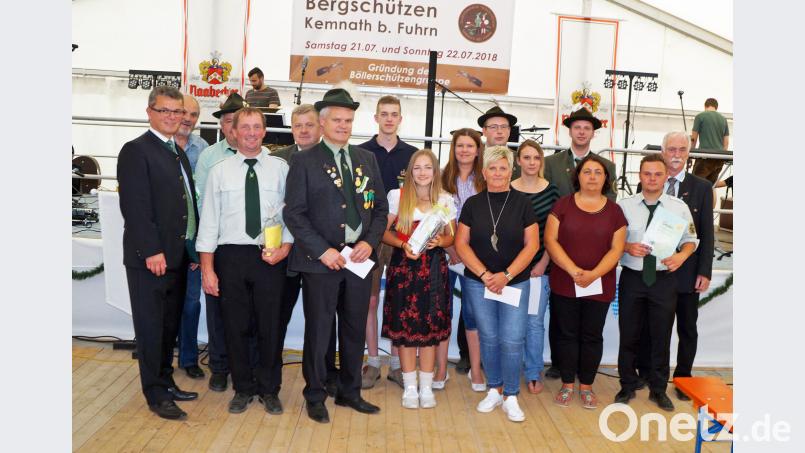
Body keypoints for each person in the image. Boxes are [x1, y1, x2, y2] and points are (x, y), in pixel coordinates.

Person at [283, 88, 389, 423]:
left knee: (355, 328)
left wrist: (370, 243)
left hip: (359, 259)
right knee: (319, 330)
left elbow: (381, 210)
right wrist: (323, 250)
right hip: (322, 260)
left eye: (348, 120)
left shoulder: (365, 159)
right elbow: (294, 214)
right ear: (323, 123)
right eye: (337, 120)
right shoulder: (303, 160)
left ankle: (349, 392)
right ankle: (314, 394)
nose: (343, 126)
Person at [196, 107, 294, 415]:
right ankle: (242, 388)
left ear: (265, 131)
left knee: (270, 326)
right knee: (235, 327)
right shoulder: (220, 171)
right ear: (233, 132)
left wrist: (286, 248)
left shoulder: (281, 169)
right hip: (231, 256)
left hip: (270, 254)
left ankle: (269, 389)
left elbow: (292, 215)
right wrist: (208, 270)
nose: (251, 132)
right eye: (245, 127)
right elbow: (209, 222)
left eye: (257, 127)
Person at [117, 86, 200, 420]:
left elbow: (186, 206)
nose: (172, 117)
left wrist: (192, 251)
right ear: (149, 111)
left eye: (177, 111)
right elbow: (135, 207)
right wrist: (151, 250)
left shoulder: (175, 151)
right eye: (164, 110)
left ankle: (166, 381)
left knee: (169, 327)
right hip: (150, 258)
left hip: (177, 256)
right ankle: (155, 394)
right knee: (151, 328)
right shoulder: (136, 150)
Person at [455, 145, 539, 422]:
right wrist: (483, 275)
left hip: (515, 283)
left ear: (511, 170)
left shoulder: (524, 203)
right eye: (493, 167)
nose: (498, 173)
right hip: (479, 283)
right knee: (488, 337)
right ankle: (494, 389)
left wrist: (507, 276)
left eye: (503, 167)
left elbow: (532, 246)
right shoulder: (473, 204)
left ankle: (511, 395)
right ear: (484, 171)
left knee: (512, 339)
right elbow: (461, 244)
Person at [615, 153, 698, 412]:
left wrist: (681, 256)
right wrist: (627, 246)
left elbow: (692, 239)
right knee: (628, 333)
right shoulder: (624, 205)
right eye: (647, 173)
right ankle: (627, 384)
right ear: (639, 176)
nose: (652, 179)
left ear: (666, 177)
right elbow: (611, 241)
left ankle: (659, 389)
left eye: (657, 174)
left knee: (661, 335)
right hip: (633, 277)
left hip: (664, 279)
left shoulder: (678, 207)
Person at [543, 154, 627, 409]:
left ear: (606, 179)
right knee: (566, 334)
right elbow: (551, 241)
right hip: (566, 280)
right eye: (587, 171)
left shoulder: (615, 211)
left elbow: (617, 249)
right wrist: (573, 271)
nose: (592, 176)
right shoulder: (562, 205)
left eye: (597, 172)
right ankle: (568, 384)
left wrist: (594, 274)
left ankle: (587, 386)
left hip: (599, 283)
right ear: (577, 176)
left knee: (592, 336)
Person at [635, 132, 714, 402]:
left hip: (688, 272)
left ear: (689, 154)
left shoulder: (703, 187)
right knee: (652, 327)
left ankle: (682, 378)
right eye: (671, 149)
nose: (676, 154)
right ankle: (647, 372)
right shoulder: (647, 182)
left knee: (687, 328)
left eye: (682, 149)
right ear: (663, 151)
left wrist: (704, 271)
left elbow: (706, 233)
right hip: (653, 271)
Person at [542, 106, 617, 381]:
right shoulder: (550, 163)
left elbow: (611, 207)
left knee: (587, 322)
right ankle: (560, 364)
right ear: (569, 130)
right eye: (577, 127)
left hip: (594, 250)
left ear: (593, 133)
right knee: (561, 312)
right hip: (558, 247)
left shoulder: (606, 166)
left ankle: (583, 370)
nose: (582, 132)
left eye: (587, 128)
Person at [271, 104, 340, 397]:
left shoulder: (335, 160)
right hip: (285, 253)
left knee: (324, 318)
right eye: (297, 125)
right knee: (277, 313)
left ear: (320, 127)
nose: (303, 131)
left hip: (321, 254)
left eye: (309, 125)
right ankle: (270, 368)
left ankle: (327, 371)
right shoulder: (277, 160)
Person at [381, 149, 456, 408]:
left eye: (428, 167)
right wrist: (403, 245)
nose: (422, 173)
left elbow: (452, 237)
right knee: (405, 331)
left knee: (429, 330)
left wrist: (440, 241)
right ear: (410, 172)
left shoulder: (445, 200)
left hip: (434, 271)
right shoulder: (397, 197)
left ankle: (426, 387)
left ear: (435, 172)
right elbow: (383, 233)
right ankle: (409, 387)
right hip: (404, 269)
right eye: (417, 168)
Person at [358, 95, 417, 389]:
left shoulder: (413, 155)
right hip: (369, 238)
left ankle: (396, 364)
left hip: (401, 238)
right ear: (376, 118)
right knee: (368, 301)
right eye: (384, 114)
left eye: (394, 114)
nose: (389, 119)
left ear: (401, 119)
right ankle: (372, 361)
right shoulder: (360, 153)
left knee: (399, 301)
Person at [193, 92, 246, 392]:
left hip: (246, 246)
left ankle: (245, 365)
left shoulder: (265, 157)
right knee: (216, 307)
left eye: (238, 121)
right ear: (225, 127)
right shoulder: (210, 157)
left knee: (246, 310)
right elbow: (202, 203)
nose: (233, 127)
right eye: (228, 121)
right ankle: (219, 365)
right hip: (217, 243)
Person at [510, 140, 560, 395]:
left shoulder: (552, 193)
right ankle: (507, 370)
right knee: (508, 322)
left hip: (538, 270)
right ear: (518, 161)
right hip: (508, 270)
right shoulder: (506, 190)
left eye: (536, 158)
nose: (531, 162)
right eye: (526, 157)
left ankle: (532, 372)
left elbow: (556, 235)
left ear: (541, 162)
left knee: (533, 323)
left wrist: (543, 263)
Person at [441, 128, 486, 391]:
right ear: (454, 148)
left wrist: (465, 253)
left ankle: (475, 368)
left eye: (470, 146)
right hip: (446, 255)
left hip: (474, 257)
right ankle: (439, 367)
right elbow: (436, 215)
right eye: (460, 146)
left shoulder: (485, 179)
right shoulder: (443, 177)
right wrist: (451, 249)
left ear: (478, 150)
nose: (465, 150)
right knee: (442, 311)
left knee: (472, 314)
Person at [173, 95, 210, 380]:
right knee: (163, 303)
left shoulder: (204, 149)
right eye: (184, 111)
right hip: (165, 240)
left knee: (191, 302)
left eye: (194, 114)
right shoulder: (155, 146)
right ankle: (160, 358)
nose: (188, 118)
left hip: (194, 240)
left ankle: (188, 358)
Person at [691, 98, 729, 184]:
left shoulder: (700, 116)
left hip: (705, 158)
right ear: (716, 107)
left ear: (705, 106)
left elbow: (693, 139)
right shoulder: (723, 119)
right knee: (711, 186)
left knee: (695, 185)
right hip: (719, 159)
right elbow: (726, 143)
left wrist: (690, 153)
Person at [477, 106, 519, 177]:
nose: (499, 131)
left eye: (504, 127)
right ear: (484, 131)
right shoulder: (475, 157)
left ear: (509, 130)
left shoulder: (520, 159)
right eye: (493, 127)